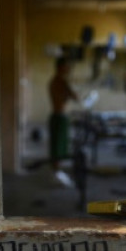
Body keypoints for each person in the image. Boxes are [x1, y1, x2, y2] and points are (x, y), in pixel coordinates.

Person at [49, 57, 78, 186]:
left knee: (59, 147)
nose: (68, 69)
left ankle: (57, 171)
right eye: (67, 66)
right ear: (61, 67)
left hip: (60, 117)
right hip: (59, 117)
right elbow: (73, 96)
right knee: (57, 148)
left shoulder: (59, 81)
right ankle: (56, 172)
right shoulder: (59, 81)